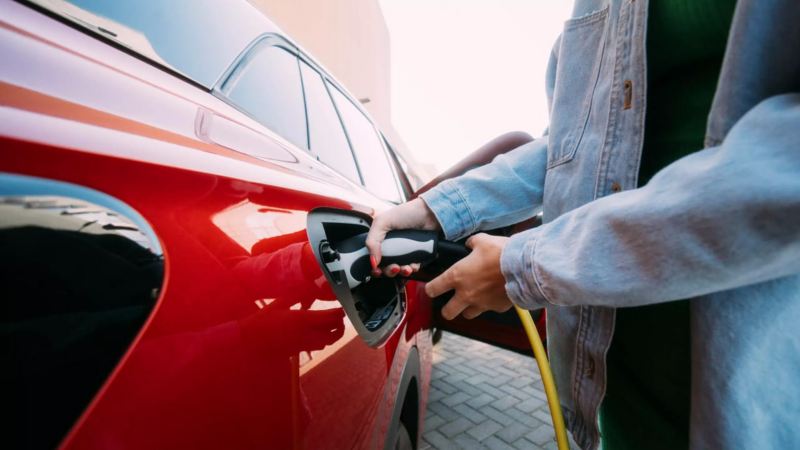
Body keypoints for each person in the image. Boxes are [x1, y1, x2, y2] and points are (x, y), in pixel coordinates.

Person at [365, 0, 800, 448]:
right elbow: (568, 146)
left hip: (739, 412)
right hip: (605, 406)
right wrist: (434, 210)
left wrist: (529, 266)